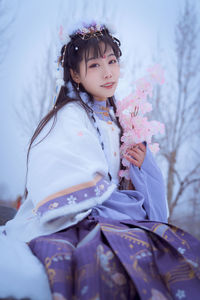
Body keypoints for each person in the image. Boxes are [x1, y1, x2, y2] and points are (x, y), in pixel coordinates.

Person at [1, 22, 200, 300]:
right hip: (77, 213)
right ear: (75, 74)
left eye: (112, 61)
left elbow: (135, 186)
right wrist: (108, 200)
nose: (108, 72)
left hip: (112, 211)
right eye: (94, 65)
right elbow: (58, 167)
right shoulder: (68, 117)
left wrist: (141, 165)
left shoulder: (120, 118)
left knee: (174, 249)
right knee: (107, 257)